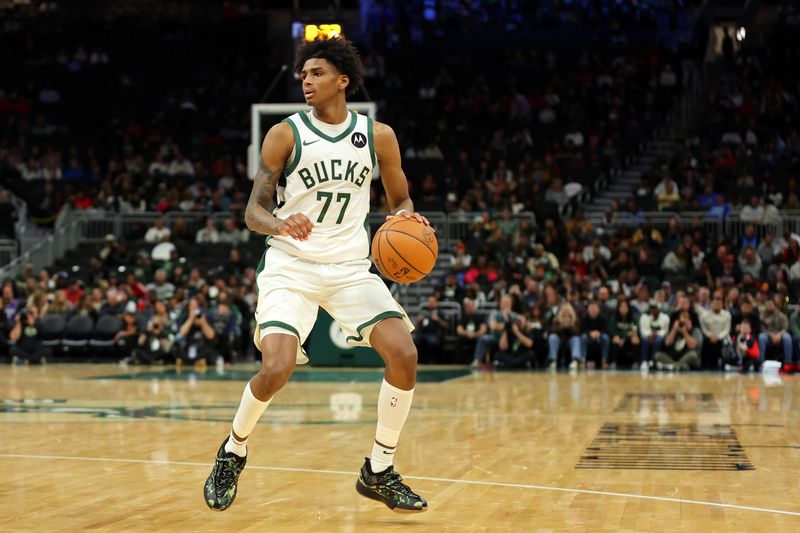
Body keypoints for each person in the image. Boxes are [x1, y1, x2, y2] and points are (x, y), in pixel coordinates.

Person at [204, 36, 428, 512]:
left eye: (316, 73)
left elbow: (401, 200)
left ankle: (379, 470)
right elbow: (252, 212)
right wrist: (282, 222)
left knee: (404, 354)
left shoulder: (379, 136)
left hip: (349, 267)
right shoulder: (285, 134)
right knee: (277, 367)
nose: (306, 81)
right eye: (303, 75)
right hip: (291, 265)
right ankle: (233, 450)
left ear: (342, 80)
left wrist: (405, 219)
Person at [639, 301, 670, 371]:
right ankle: (644, 361)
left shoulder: (665, 317)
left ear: (659, 309)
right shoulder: (644, 317)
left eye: (655, 308)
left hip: (659, 336)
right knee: (645, 340)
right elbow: (643, 330)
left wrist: (656, 334)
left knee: (658, 340)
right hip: (647, 336)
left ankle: (654, 361)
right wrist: (649, 335)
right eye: (652, 308)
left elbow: (665, 330)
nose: (653, 310)